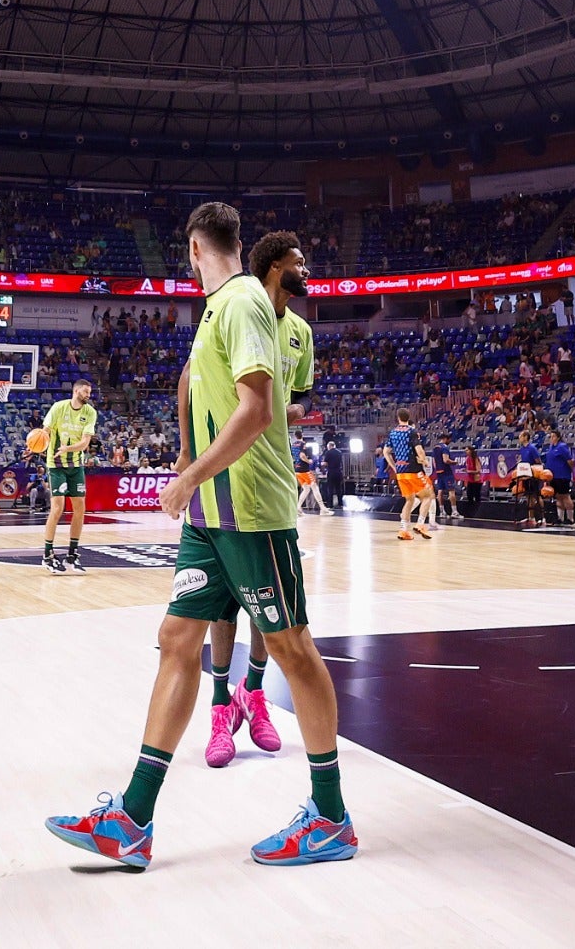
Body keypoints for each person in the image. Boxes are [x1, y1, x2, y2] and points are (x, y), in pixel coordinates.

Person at [46, 212, 354, 870]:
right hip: (210, 519)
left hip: (250, 510)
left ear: (192, 250)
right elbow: (201, 394)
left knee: (292, 648)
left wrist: (186, 475)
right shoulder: (217, 309)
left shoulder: (242, 301)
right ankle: (132, 818)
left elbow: (258, 410)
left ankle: (331, 817)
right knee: (177, 639)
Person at [206, 241, 314, 769]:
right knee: (222, 605)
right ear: (275, 267)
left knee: (264, 606)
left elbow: (298, 400)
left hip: (270, 481)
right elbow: (191, 380)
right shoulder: (237, 309)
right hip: (224, 483)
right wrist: (187, 452)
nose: (306, 271)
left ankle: (253, 695)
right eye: (298, 263)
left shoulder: (301, 333)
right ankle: (220, 704)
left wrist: (276, 409)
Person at [41, 377, 98, 575]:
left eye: (89, 392)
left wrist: (68, 448)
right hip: (55, 464)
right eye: (85, 392)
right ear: (76, 391)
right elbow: (45, 431)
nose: (88, 395)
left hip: (76, 465)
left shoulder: (90, 412)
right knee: (58, 508)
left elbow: (85, 444)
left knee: (80, 509)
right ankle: (48, 554)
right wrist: (38, 441)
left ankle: (72, 555)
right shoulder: (58, 408)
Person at [387, 409, 430, 540]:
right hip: (413, 469)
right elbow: (419, 450)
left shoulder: (393, 432)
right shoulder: (411, 431)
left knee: (409, 500)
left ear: (398, 417)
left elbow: (386, 452)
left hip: (400, 471)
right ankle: (420, 524)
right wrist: (425, 461)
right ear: (408, 417)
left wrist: (394, 467)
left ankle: (403, 530)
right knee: (428, 495)